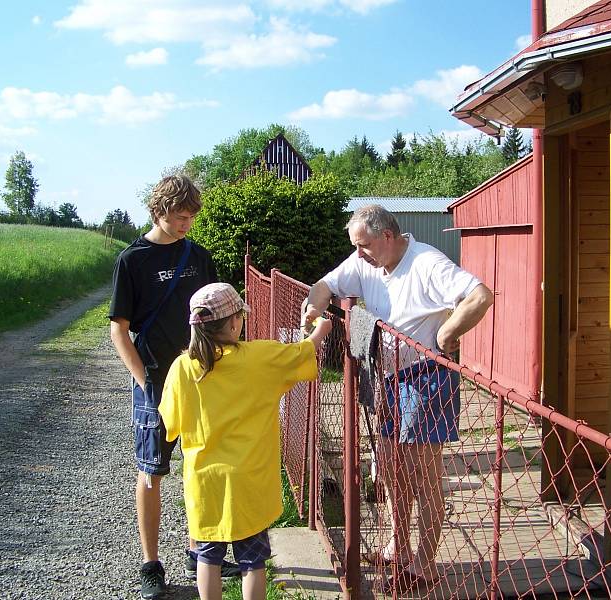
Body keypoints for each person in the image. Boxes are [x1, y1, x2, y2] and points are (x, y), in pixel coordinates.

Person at [302, 204, 494, 593]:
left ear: (387, 236)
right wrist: (315, 303)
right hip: (388, 378)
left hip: (426, 379)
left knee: (423, 477)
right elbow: (326, 284)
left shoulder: (427, 263)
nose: (358, 254)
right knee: (390, 469)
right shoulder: (368, 261)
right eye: (356, 246)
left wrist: (446, 336)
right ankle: (398, 543)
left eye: (365, 245)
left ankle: (424, 564)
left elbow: (480, 296)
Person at [158, 282, 332, 600]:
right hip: (250, 483)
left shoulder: (183, 367)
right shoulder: (258, 357)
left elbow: (171, 423)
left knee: (207, 557)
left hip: (205, 483)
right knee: (253, 561)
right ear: (235, 321)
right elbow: (302, 352)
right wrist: (321, 328)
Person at [109, 174, 225, 599]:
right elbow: (119, 332)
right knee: (152, 472)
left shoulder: (199, 257)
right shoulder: (132, 260)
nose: (187, 224)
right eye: (180, 216)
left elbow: (215, 319)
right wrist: (144, 383)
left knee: (200, 466)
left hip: (200, 379)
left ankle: (200, 552)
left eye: (192, 216)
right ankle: (151, 564)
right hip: (155, 380)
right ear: (158, 211)